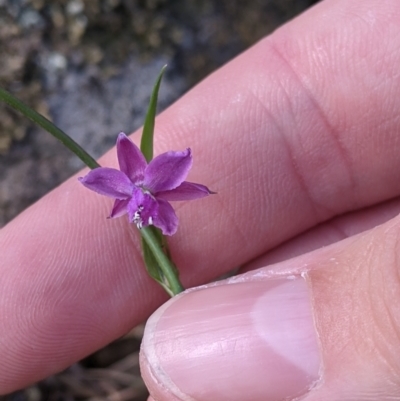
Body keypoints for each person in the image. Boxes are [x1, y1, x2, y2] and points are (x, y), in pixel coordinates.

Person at [1, 0, 400, 399]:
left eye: (142, 199)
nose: (139, 204)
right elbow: (117, 190)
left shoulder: (162, 191)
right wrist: (140, 205)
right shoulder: (124, 194)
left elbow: (166, 194)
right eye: (133, 200)